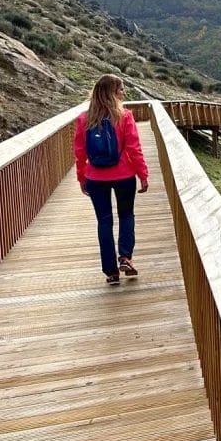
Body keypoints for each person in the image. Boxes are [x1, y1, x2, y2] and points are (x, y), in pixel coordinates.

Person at [73, 74, 149, 285]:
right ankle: (125, 257)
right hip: (124, 175)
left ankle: (111, 272)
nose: (123, 93)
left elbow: (79, 152)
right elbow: (134, 149)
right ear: (113, 93)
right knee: (126, 215)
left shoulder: (83, 119)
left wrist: (82, 178)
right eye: (121, 90)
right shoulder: (124, 116)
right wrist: (142, 174)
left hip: (95, 177)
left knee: (104, 222)